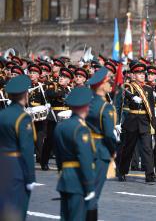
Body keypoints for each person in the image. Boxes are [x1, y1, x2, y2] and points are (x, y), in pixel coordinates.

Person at [54, 87, 96, 221]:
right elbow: (84, 158)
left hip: (65, 178)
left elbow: (58, 156)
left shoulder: (60, 126)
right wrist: (89, 185)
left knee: (65, 217)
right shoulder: (81, 129)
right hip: (78, 180)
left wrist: (62, 171)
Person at [0, 75, 36, 220]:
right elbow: (27, 150)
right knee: (17, 210)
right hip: (16, 169)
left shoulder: (2, 114)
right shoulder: (23, 118)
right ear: (25, 94)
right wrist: (30, 178)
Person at [85, 67, 118, 220]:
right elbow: (109, 135)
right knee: (93, 193)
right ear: (102, 85)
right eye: (108, 82)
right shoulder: (106, 107)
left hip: (84, 147)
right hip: (100, 150)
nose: (111, 84)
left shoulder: (86, 103)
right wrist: (113, 151)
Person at [117, 63, 156, 184]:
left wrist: (152, 124)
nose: (142, 76)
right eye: (139, 74)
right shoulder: (129, 86)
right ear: (133, 75)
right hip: (132, 120)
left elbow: (150, 107)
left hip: (145, 121)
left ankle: (150, 175)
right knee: (128, 148)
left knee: (147, 149)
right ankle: (122, 172)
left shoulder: (148, 89)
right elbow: (125, 93)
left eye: (143, 74)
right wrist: (133, 97)